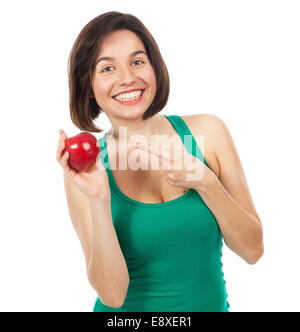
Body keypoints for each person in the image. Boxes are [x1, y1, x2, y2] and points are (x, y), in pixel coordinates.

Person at [56, 11, 264, 312]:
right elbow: (113, 296)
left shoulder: (205, 133)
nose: (127, 78)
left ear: (155, 67)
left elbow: (253, 250)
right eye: (107, 68)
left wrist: (205, 182)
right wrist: (100, 199)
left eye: (137, 61)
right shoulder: (89, 170)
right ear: (87, 85)